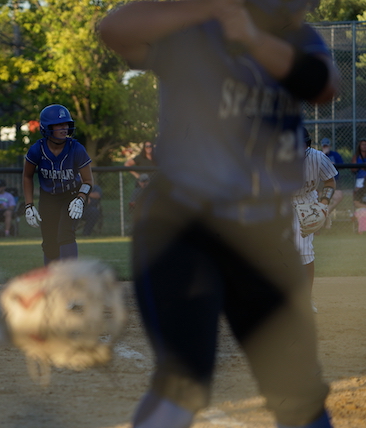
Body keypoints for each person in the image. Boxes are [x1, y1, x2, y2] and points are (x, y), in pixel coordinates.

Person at [99, 1, 340, 428]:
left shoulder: (297, 38)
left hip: (265, 235)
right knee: (183, 384)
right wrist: (207, 8)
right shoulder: (195, 32)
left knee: (300, 394)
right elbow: (115, 29)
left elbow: (323, 85)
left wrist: (251, 38)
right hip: (187, 228)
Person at [22, 104, 94, 264]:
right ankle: (51, 279)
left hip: (71, 196)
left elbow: (88, 180)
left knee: (65, 233)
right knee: (49, 242)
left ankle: (71, 278)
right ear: (47, 128)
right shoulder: (37, 150)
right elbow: (27, 176)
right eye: (59, 124)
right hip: (48, 198)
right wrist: (29, 205)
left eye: (66, 124)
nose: (64, 128)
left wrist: (81, 198)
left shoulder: (76, 148)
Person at [292, 129, 337, 313]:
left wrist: (324, 203)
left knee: (304, 249)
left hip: (307, 203)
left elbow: (330, 182)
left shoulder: (317, 158)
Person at [320, 138, 344, 228]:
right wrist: (324, 154)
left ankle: (325, 213)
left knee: (339, 197)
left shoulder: (335, 155)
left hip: (335, 181)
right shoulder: (319, 155)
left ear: (330, 146)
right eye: (324, 145)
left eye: (327, 145)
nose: (325, 147)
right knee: (324, 200)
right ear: (322, 146)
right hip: (322, 182)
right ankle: (325, 225)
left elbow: (342, 165)